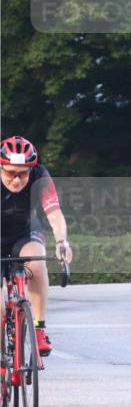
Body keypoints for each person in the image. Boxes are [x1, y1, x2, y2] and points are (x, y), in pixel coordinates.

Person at [0, 136, 73, 356]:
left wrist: (62, 242)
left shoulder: (40, 176)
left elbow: (54, 214)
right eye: (10, 173)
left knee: (37, 265)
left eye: (23, 174)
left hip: (24, 233)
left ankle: (39, 329)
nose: (16, 180)